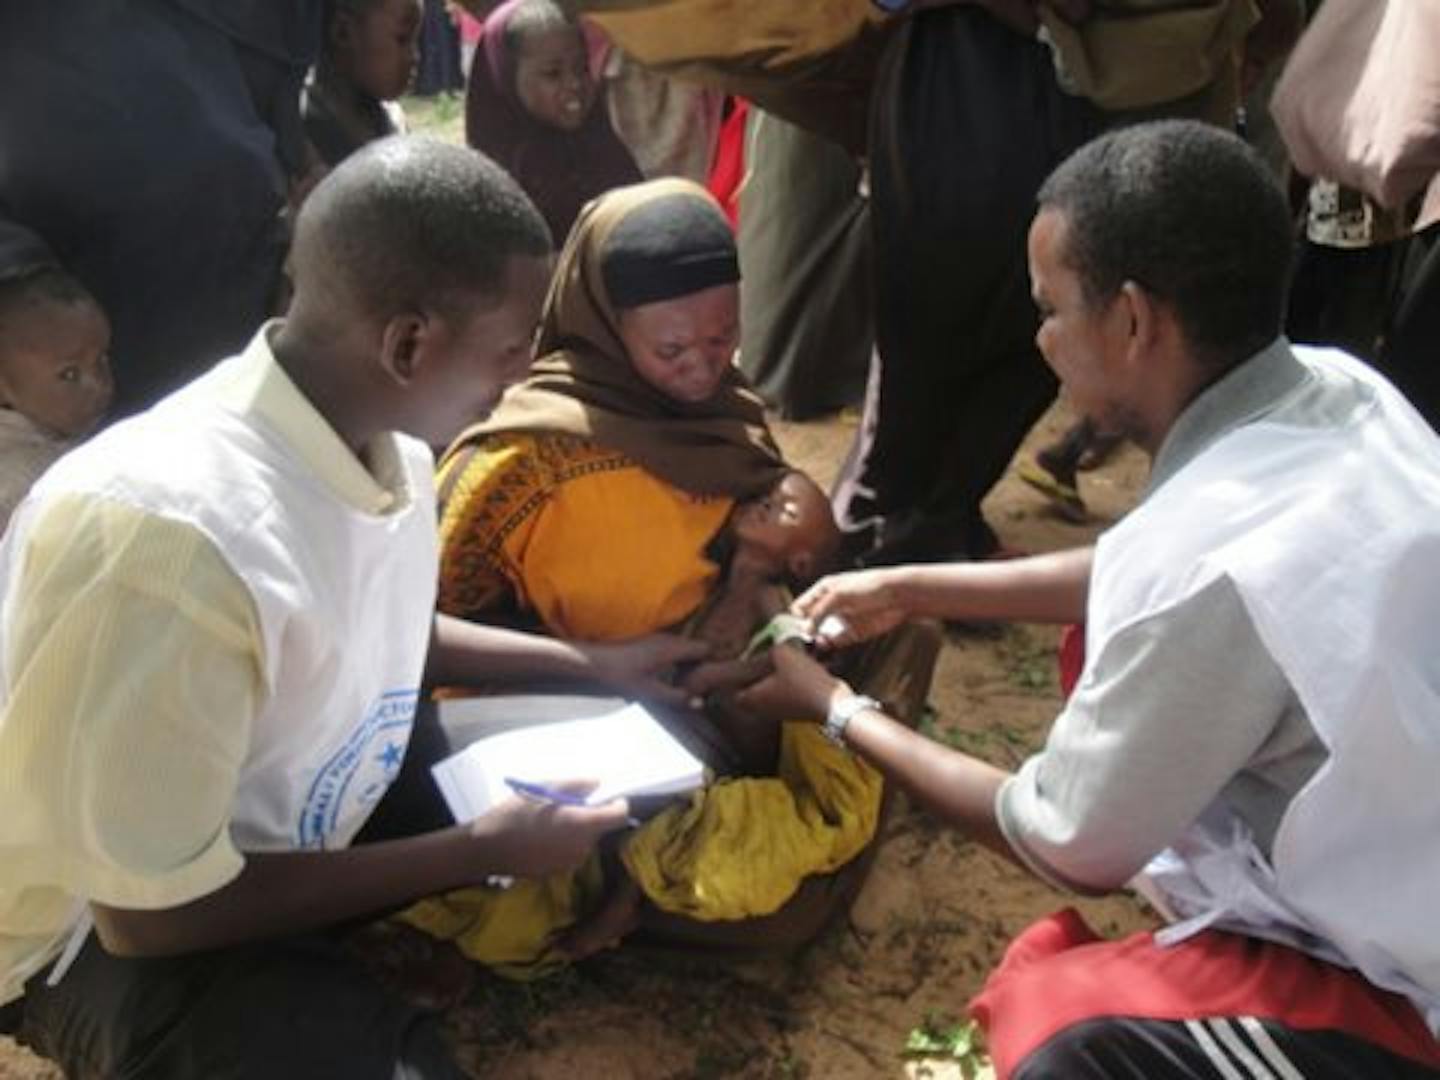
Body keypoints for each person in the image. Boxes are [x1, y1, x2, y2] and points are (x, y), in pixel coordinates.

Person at [744, 121, 1440, 1078]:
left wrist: (832, 708)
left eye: (1051, 308)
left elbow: (1065, 841)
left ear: (1133, 322)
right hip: (1407, 852)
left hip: (1405, 974)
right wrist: (909, 584)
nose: (1041, 339)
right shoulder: (1334, 391)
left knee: (1065, 1047)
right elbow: (1157, 568)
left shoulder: (1208, 563)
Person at [0, 137, 707, 1078]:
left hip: (287, 811)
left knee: (636, 741)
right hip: (93, 933)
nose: (525, 373)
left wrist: (597, 665)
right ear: (408, 342)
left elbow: (378, 631)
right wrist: (466, 853)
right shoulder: (166, 541)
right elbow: (148, 911)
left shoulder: (392, 446)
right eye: (511, 346)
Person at [403, 177, 938, 975]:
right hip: (583, 708)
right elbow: (423, 642)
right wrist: (605, 673)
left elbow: (778, 538)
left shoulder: (722, 410)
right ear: (604, 323)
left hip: (725, 683)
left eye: (722, 341)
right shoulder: (518, 462)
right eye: (672, 350)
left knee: (905, 636)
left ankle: (671, 896)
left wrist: (763, 626)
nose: (703, 369)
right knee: (550, 883)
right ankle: (647, 894)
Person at [0, 1, 325, 415]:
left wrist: (299, 160)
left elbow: (275, 60)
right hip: (86, 309)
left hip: (244, 267)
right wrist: (12, 281)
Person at [465, 0, 642, 243]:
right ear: (505, 77)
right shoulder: (497, 188)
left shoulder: (605, 150)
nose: (575, 84)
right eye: (553, 74)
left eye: (581, 68)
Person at [0, 224, 113, 531]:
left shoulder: (54, 427)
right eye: (69, 374)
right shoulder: (21, 486)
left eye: (103, 358)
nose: (98, 385)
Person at [303, 0, 422, 168]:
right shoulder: (309, 135)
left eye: (416, 41)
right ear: (342, 32)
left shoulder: (393, 118)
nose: (414, 57)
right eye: (402, 39)